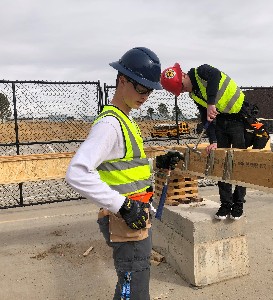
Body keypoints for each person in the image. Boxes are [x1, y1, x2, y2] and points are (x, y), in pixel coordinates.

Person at [66, 47, 182, 300]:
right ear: (122, 80)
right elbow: (76, 172)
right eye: (141, 87)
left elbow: (124, 166)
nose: (146, 95)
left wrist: (157, 163)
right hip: (125, 220)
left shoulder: (125, 119)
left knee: (134, 281)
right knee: (133, 288)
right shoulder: (110, 125)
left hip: (135, 217)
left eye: (150, 89)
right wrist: (123, 206)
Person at [160, 63, 268, 221]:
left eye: (181, 87)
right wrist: (214, 140)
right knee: (221, 163)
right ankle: (225, 203)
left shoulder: (202, 71)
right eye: (180, 91)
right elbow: (206, 117)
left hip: (239, 117)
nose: (183, 91)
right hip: (221, 122)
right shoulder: (194, 94)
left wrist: (211, 103)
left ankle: (238, 203)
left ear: (183, 75)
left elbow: (216, 76)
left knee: (238, 162)